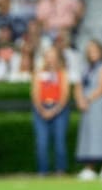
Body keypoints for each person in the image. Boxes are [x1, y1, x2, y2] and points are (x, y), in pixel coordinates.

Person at [75, 39, 102, 180]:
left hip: (98, 104)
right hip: (87, 107)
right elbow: (78, 85)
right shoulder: (85, 67)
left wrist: (88, 99)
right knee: (88, 136)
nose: (92, 54)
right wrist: (80, 99)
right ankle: (89, 166)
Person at [31, 46, 72, 175]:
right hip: (41, 109)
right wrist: (42, 110)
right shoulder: (39, 73)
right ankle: (43, 171)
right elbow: (35, 94)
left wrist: (54, 110)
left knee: (60, 142)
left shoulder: (62, 73)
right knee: (41, 142)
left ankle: (60, 170)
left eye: (53, 56)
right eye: (48, 56)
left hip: (59, 109)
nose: (51, 59)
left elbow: (65, 95)